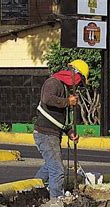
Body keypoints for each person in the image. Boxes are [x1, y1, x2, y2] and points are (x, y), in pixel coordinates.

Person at [33, 59, 89, 199]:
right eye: (79, 82)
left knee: (50, 167)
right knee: (57, 171)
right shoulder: (54, 82)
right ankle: (56, 204)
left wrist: (69, 132)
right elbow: (47, 99)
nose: (78, 86)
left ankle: (33, 190)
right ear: (75, 75)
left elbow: (58, 118)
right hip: (45, 134)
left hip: (53, 133)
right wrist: (67, 102)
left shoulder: (64, 88)